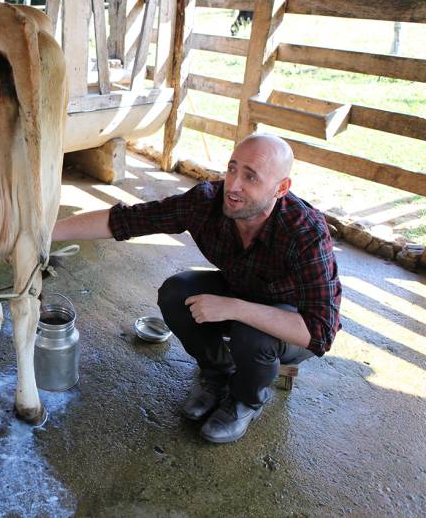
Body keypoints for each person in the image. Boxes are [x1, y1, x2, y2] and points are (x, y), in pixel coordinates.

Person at [52, 133, 341, 443]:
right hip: (240, 291)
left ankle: (245, 401)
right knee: (177, 293)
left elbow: (320, 332)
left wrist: (233, 308)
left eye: (250, 176)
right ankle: (217, 372)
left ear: (280, 188)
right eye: (232, 169)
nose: (233, 185)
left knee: (252, 336)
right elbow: (127, 221)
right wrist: (43, 233)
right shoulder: (206, 201)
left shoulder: (305, 231)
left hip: (289, 321)